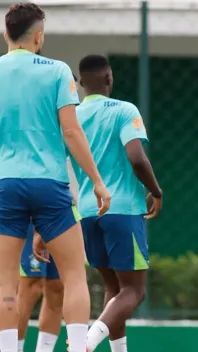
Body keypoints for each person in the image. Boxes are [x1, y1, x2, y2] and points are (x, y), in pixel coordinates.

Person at [0, 3, 111, 352]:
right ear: (39, 36)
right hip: (50, 185)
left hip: (5, 184)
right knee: (74, 275)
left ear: (6, 34)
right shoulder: (58, 71)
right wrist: (96, 180)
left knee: (6, 282)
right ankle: (78, 348)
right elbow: (72, 132)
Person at [71, 54, 163, 352]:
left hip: (87, 211)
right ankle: (83, 343)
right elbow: (136, 157)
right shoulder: (125, 110)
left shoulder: (71, 117)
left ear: (81, 83)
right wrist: (156, 191)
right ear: (109, 78)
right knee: (134, 291)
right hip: (122, 209)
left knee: (114, 291)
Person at [17, 74, 80, 352]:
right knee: (29, 286)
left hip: (65, 210)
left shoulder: (74, 125)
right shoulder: (33, 125)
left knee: (57, 288)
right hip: (33, 211)